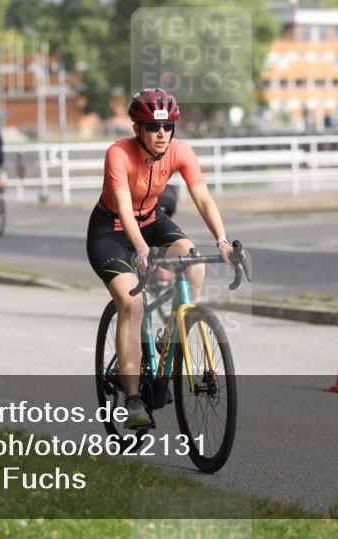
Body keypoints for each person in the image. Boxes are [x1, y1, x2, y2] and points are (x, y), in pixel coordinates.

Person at [86, 88, 234, 430]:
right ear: (138, 129)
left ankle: (171, 338)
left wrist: (223, 240)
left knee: (193, 262)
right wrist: (140, 247)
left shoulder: (180, 151)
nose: (162, 133)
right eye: (153, 126)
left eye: (168, 127)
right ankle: (133, 399)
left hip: (152, 221)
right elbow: (124, 209)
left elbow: (203, 198)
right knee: (132, 304)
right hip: (110, 232)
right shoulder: (118, 154)